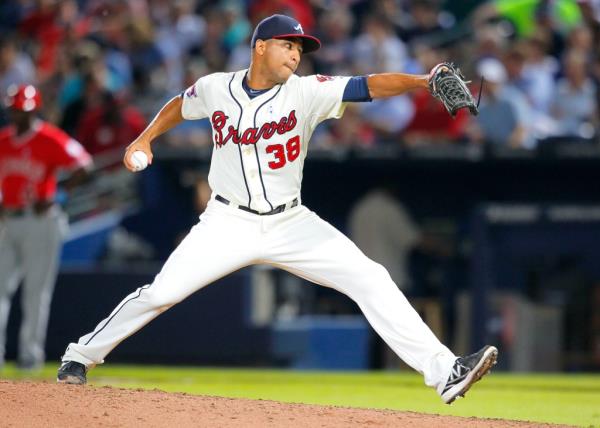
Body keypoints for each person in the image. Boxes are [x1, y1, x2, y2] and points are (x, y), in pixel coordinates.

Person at [57, 14, 497, 405]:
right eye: (288, 44)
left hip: (291, 222)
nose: (296, 55)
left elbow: (368, 85)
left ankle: (445, 372)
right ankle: (80, 355)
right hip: (226, 221)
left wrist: (422, 81)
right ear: (260, 47)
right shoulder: (216, 87)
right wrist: (145, 138)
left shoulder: (307, 92)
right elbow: (178, 105)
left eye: (300, 48)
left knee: (371, 277)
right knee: (160, 294)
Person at [0, 84, 92, 370]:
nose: (19, 116)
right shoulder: (3, 140)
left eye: (24, 111)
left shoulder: (49, 137)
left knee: (35, 291)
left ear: (35, 109)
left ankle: (30, 356)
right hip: (8, 219)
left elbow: (84, 166)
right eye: (16, 111)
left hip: (41, 221)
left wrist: (59, 195)